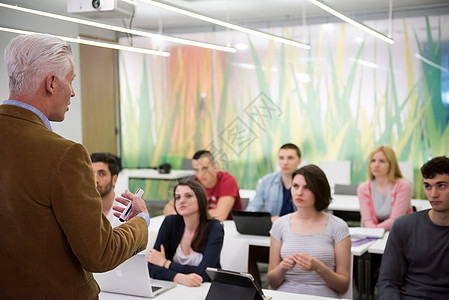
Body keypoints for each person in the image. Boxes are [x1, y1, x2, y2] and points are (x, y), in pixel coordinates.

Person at [0, 34, 149, 299]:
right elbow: (100, 254)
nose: (72, 92)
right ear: (51, 82)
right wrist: (140, 222)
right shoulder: (65, 154)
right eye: (71, 80)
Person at [268, 165, 351, 298]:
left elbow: (343, 286)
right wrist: (282, 267)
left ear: (319, 191)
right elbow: (272, 282)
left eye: (306, 187)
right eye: (295, 186)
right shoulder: (279, 225)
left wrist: (319, 267)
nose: (299, 192)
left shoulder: (338, 226)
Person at [378, 156, 449, 298]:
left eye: (441, 186)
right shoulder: (404, 226)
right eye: (428, 186)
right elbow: (388, 282)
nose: (433, 194)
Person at [147, 179, 224, 286]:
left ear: (200, 199)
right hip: (176, 287)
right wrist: (179, 278)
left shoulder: (214, 228)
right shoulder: (170, 222)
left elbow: (206, 274)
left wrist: (165, 263)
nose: (181, 201)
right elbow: (152, 266)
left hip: (205, 289)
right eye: (177, 197)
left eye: (188, 196)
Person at [164, 150, 242, 221]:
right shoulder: (195, 183)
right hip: (202, 226)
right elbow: (168, 208)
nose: (201, 174)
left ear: (214, 166)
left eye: (204, 168)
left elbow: (220, 215)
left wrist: (188, 213)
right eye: (196, 170)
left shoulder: (228, 181)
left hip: (229, 230)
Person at [358, 145, 413, 231]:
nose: (376, 165)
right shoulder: (363, 188)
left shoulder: (404, 186)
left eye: (382, 161)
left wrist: (375, 231)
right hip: (372, 234)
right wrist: (374, 232)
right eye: (373, 161)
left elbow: (395, 220)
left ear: (391, 164)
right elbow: (367, 220)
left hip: (400, 233)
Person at [246, 143, 302, 222]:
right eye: (281, 158)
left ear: (299, 160)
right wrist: (254, 218)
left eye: (290, 158)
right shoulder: (266, 181)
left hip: (299, 229)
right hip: (272, 228)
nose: (285, 162)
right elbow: (254, 207)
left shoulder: (307, 183)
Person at [91, 152, 123, 228]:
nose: (95, 180)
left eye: (102, 174)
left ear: (114, 179)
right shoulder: (81, 211)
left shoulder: (125, 213)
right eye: (91, 174)